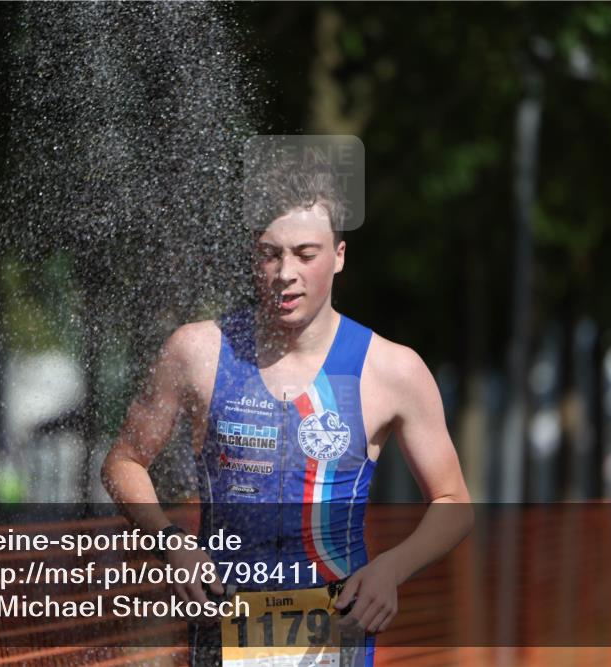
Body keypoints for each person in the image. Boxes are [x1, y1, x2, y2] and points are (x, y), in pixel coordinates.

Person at [102, 153, 472, 667]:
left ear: (339, 255)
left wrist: (392, 568)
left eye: (305, 254)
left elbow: (454, 501)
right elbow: (122, 462)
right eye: (270, 255)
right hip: (222, 627)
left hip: (336, 633)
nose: (285, 274)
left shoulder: (391, 370)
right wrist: (171, 543)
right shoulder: (197, 352)